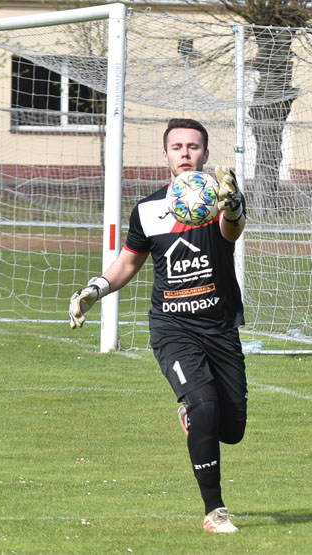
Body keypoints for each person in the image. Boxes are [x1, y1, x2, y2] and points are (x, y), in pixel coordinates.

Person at [68, 118, 247, 534]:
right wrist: (94, 290)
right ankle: (215, 510)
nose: (186, 153)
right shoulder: (148, 209)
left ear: (205, 153)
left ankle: (196, 418)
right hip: (172, 329)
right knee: (204, 407)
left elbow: (232, 231)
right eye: (177, 146)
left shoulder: (222, 200)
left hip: (219, 326)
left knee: (232, 428)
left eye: (194, 146)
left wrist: (233, 204)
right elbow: (129, 262)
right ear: (165, 155)